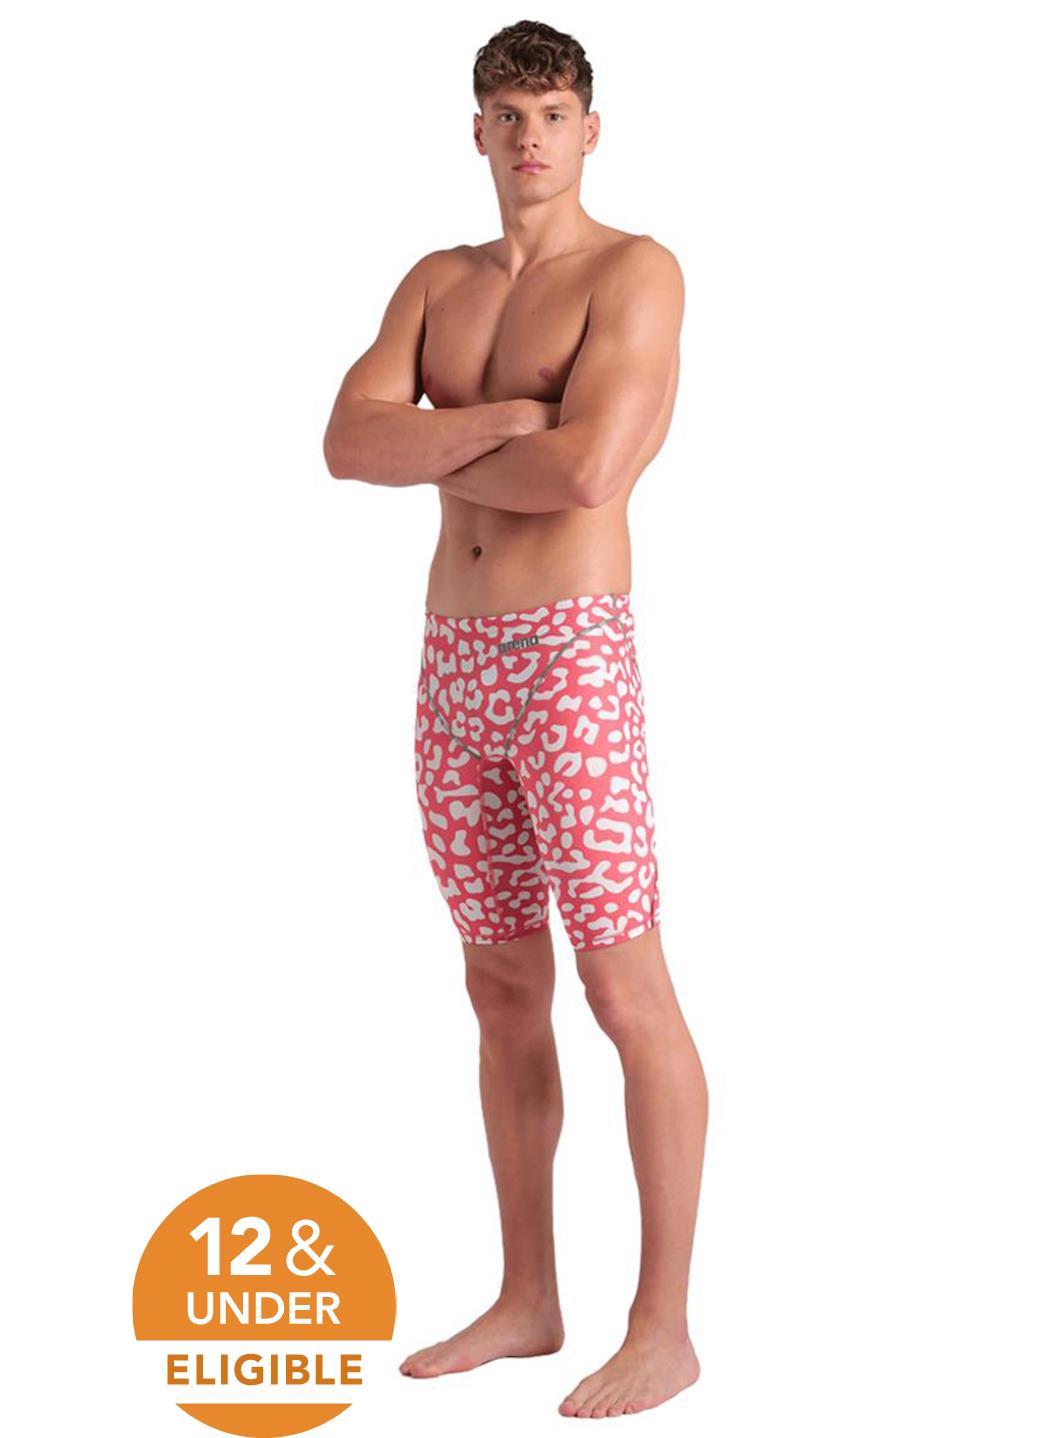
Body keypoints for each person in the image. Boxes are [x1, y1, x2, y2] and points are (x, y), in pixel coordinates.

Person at [323, 19, 709, 1421]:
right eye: (508, 115)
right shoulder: (437, 280)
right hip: (453, 663)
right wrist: (508, 422)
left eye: (552, 112)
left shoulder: (636, 271)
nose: (530, 137)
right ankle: (529, 1294)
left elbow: (590, 472)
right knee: (499, 991)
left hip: (568, 660)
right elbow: (347, 443)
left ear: (589, 130)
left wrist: (440, 437)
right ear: (476, 133)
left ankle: (662, 1324)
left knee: (624, 990)